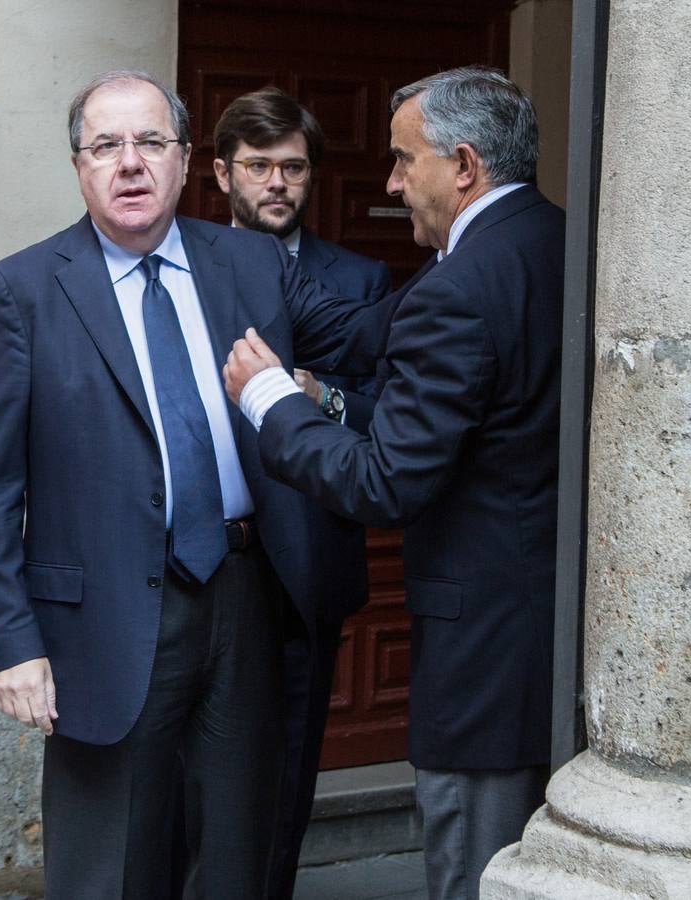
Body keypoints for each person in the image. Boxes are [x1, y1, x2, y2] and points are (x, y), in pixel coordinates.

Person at [0, 70, 383, 898]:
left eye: (150, 142)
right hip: (102, 617)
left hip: (245, 594)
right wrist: (12, 643)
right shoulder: (21, 293)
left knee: (237, 852)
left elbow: (369, 338)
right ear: (78, 166)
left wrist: (482, 256)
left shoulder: (251, 264)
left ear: (188, 162)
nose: (129, 163)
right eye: (105, 146)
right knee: (109, 863)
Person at [224, 66, 565, 900]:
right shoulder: (551, 241)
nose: (389, 183)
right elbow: (369, 329)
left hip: (483, 659)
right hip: (544, 644)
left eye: (401, 161)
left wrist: (273, 401)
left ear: (462, 164)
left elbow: (385, 484)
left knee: (476, 875)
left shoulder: (460, 285)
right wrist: (221, 253)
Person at [211, 86, 390, 900]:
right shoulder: (182, 268)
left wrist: (316, 397)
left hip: (306, 558)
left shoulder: (359, 280)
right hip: (204, 556)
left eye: (292, 167)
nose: (276, 183)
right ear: (221, 175)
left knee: (285, 770)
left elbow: (385, 416)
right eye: (258, 167)